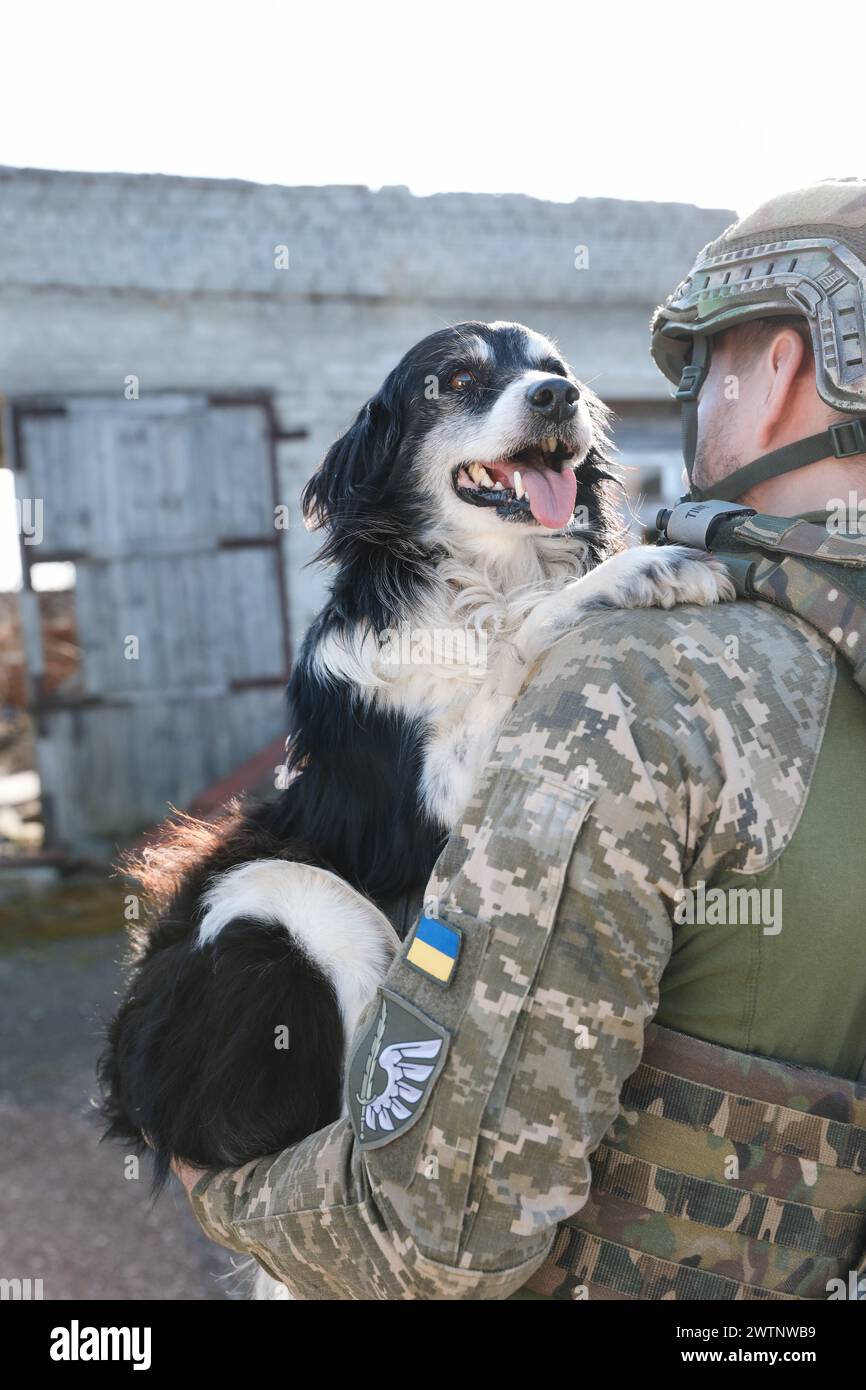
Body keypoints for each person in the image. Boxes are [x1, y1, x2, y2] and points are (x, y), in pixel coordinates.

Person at [175, 181, 866, 1300]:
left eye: (701, 365)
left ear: (778, 370)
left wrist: (219, 1185)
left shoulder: (635, 681)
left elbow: (439, 1234)